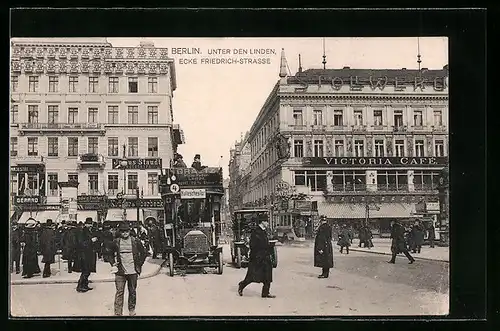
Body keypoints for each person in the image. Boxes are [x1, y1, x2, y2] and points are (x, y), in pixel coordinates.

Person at [110, 222, 147, 316]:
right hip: (120, 272)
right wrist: (112, 263)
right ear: (120, 232)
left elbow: (143, 253)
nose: (125, 233)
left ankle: (131, 310)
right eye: (122, 231)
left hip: (133, 271)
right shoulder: (116, 241)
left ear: (129, 231)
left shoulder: (135, 241)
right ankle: (118, 314)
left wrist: (139, 264)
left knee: (132, 292)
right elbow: (108, 252)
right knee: (119, 292)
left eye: (126, 231)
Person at [237, 216, 275, 298]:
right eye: (267, 222)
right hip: (257, 257)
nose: (268, 223)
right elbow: (252, 245)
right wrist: (257, 255)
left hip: (265, 257)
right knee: (252, 276)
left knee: (268, 275)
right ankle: (242, 285)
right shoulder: (256, 232)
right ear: (262, 222)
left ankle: (266, 293)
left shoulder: (264, 231)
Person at [73, 219, 98, 293]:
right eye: (88, 224)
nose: (90, 226)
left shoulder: (90, 231)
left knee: (88, 270)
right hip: (83, 255)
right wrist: (91, 241)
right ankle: (80, 286)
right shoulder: (82, 232)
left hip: (89, 254)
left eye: (91, 224)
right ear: (85, 224)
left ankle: (85, 285)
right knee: (85, 271)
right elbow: (81, 243)